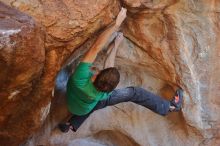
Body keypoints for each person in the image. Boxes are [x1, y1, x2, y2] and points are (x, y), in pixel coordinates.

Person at [58, 7, 183, 133]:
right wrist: (115, 46)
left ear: (97, 76)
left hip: (72, 103)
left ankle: (71, 123)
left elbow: (95, 48)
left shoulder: (79, 79)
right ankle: (169, 107)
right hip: (84, 108)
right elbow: (106, 65)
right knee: (129, 95)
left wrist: (116, 25)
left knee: (122, 96)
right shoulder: (104, 94)